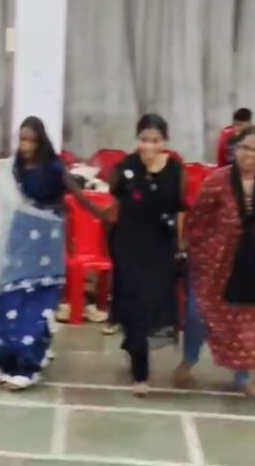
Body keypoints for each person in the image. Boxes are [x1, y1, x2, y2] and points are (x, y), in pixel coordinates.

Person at [0, 116, 104, 390]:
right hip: (18, 243)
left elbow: (76, 195)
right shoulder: (13, 167)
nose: (26, 146)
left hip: (46, 246)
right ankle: (6, 361)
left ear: (41, 142)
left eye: (31, 141)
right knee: (9, 300)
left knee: (38, 305)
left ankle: (29, 366)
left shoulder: (53, 167)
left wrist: (101, 215)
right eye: (22, 140)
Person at [183, 126, 255, 399]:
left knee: (249, 321)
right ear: (234, 150)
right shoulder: (217, 181)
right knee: (197, 315)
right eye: (246, 147)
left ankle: (243, 378)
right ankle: (188, 361)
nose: (251, 154)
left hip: (253, 263)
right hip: (213, 262)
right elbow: (198, 220)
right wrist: (198, 252)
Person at [106, 114, 186, 397]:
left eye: (155, 140)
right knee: (133, 305)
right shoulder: (126, 167)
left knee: (153, 302)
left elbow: (180, 209)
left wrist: (180, 245)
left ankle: (133, 343)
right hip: (128, 245)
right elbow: (114, 203)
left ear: (165, 142)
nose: (149, 146)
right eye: (144, 139)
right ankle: (140, 371)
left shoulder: (175, 170)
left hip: (160, 246)